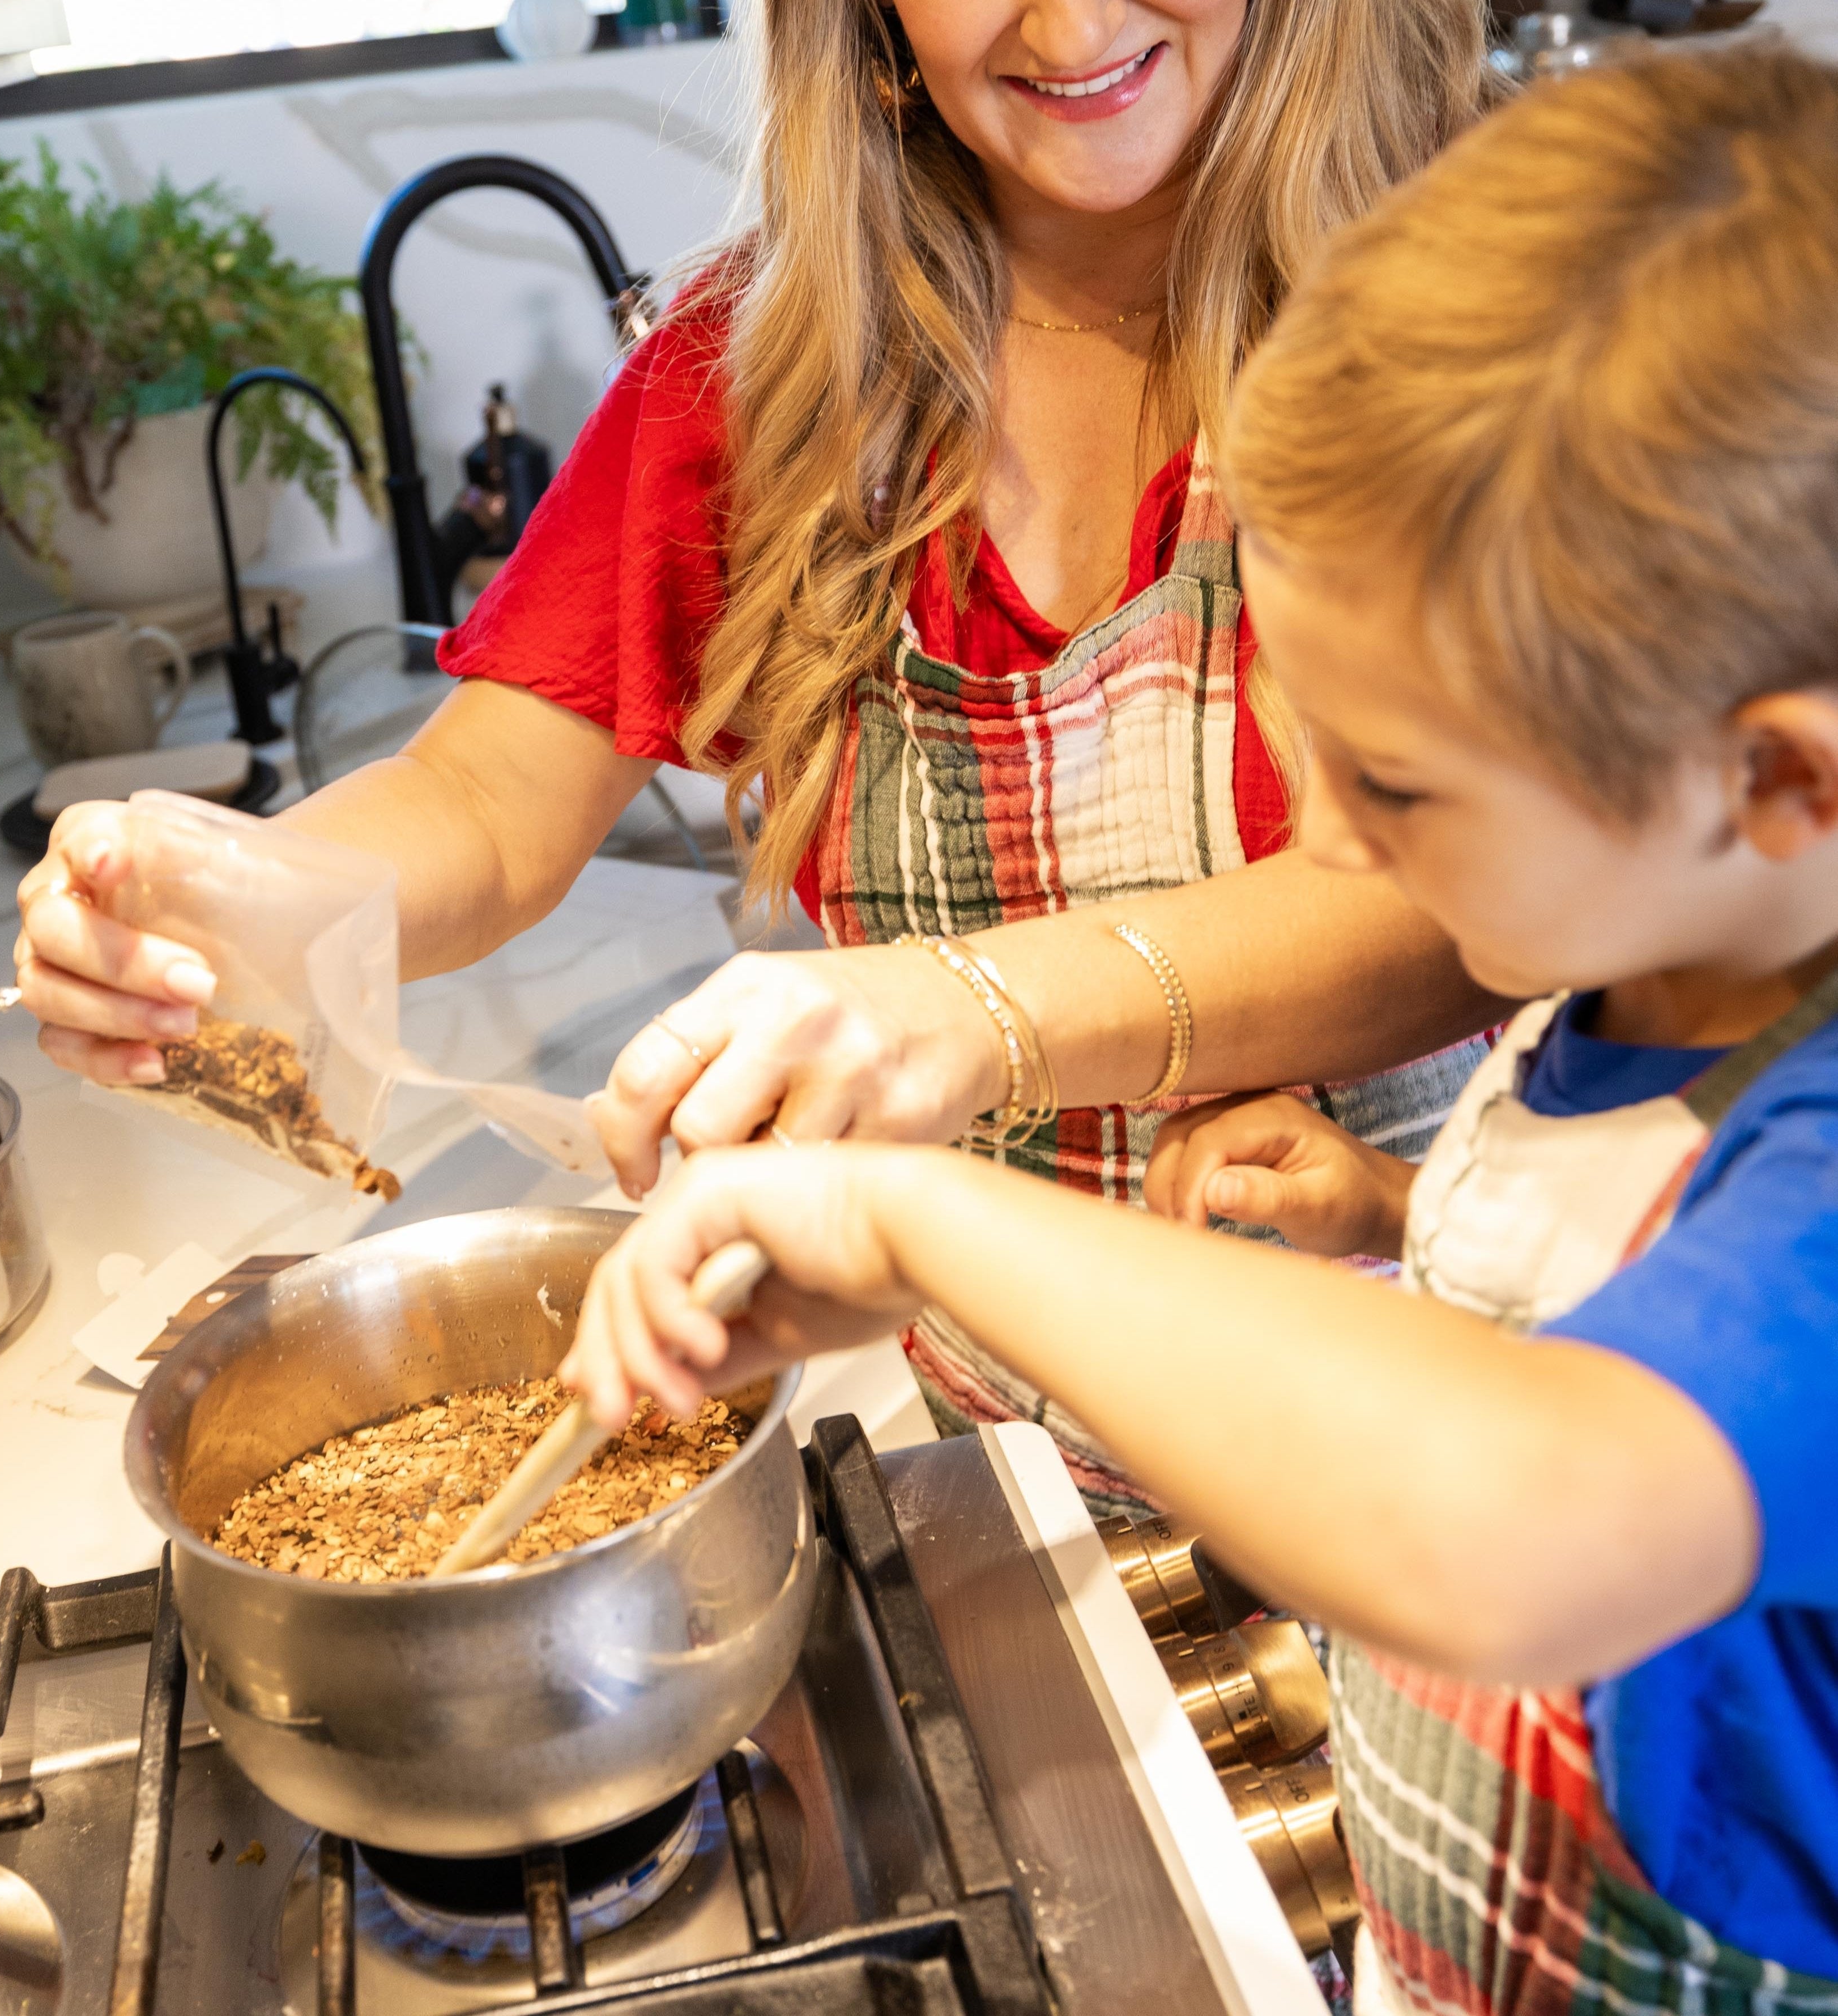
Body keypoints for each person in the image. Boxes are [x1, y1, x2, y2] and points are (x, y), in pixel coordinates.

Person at [564, 46, 1838, 2001]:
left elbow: (1519, 1517)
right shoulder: (1664, 978)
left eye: (1399, 789)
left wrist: (925, 1220)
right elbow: (1619, 1302)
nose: (1328, 842)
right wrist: (1396, 1229)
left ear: (1787, 788)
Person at [14, 0, 1503, 1507]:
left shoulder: (1476, 321)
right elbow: (483, 799)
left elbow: (1461, 911)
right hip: (1024, 1476)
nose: (1074, 16)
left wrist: (972, 1010)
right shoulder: (772, 376)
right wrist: (231, 899)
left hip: (1449, 1455)